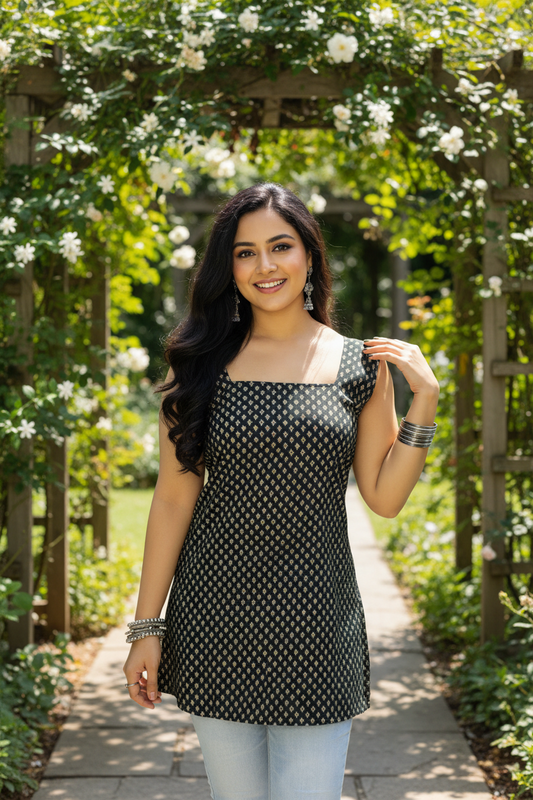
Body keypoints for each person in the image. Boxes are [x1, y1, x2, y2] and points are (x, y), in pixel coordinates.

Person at [122, 182, 440, 800]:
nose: (264, 266)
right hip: (215, 618)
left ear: (310, 257)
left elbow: (383, 496)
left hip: (320, 620)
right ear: (227, 267)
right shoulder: (197, 365)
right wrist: (145, 629)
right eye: (245, 253)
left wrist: (423, 402)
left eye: (280, 247)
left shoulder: (359, 365)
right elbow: (171, 499)